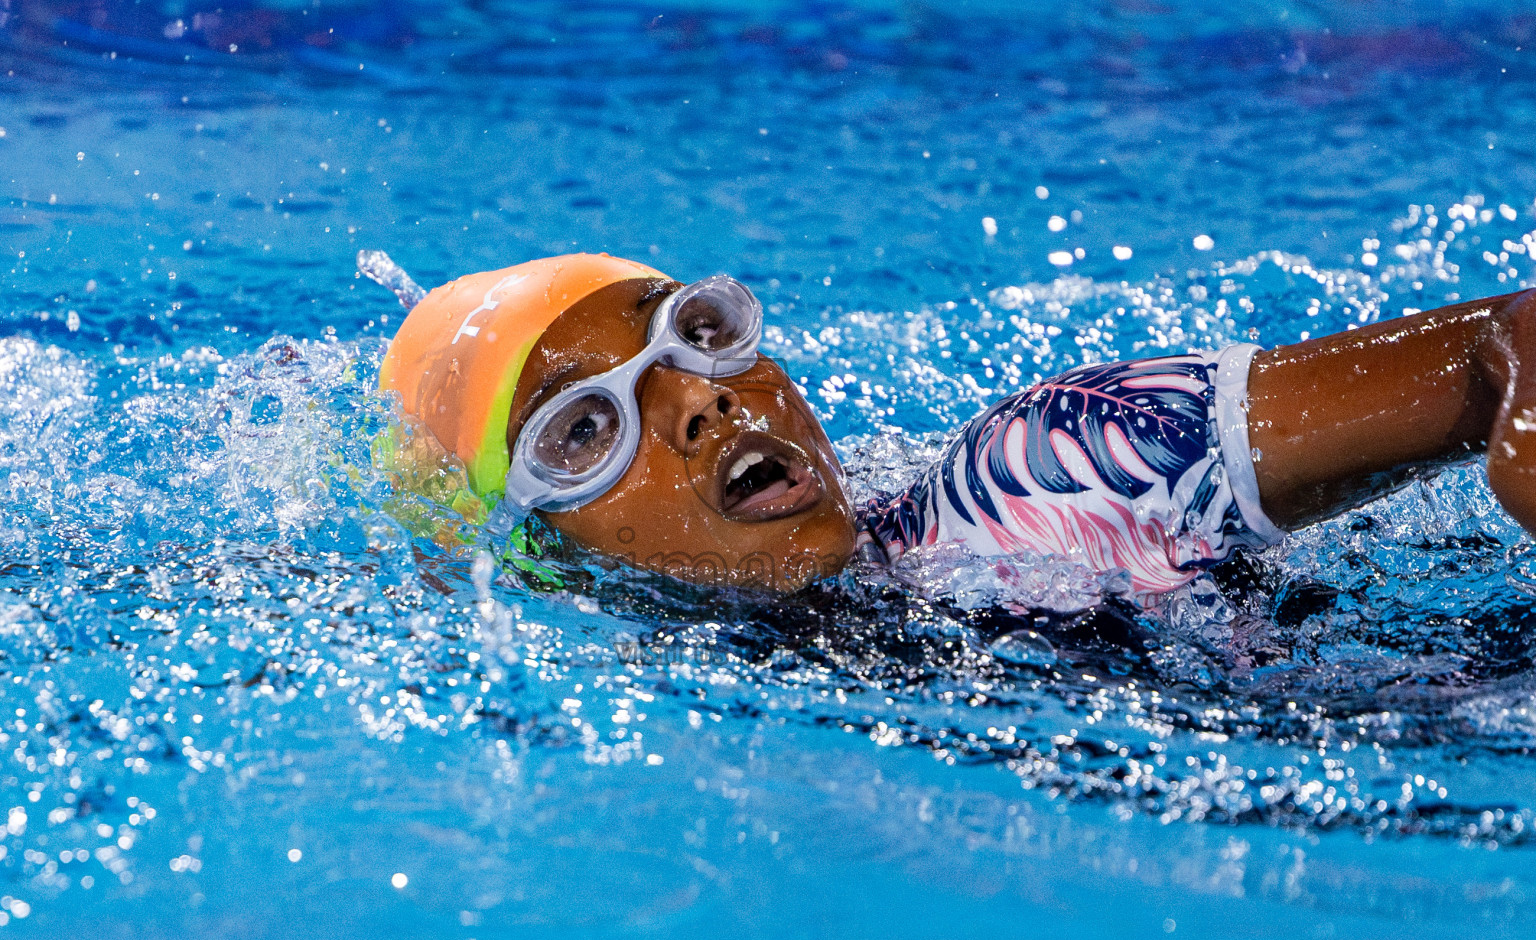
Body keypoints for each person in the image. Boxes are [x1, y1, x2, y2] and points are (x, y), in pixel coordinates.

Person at [367, 250, 1536, 595]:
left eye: (694, 332)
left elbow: (1507, 343)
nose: (701, 400)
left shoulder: (1051, 471)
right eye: (582, 429)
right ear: (535, 552)